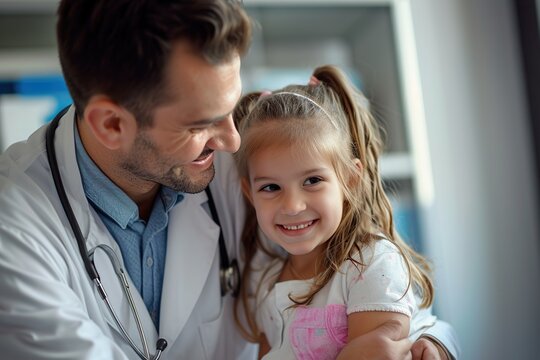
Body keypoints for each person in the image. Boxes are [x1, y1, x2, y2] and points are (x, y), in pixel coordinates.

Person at [0, 1, 458, 359]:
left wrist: (431, 344)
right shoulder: (15, 234)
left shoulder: (253, 169)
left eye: (231, 107)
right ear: (111, 124)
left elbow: (387, 305)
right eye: (202, 123)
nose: (234, 140)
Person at [232, 66, 458, 360]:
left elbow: (379, 353)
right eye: (271, 187)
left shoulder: (370, 264)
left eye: (312, 181)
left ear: (350, 179)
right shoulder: (266, 279)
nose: (292, 206)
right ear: (250, 193)